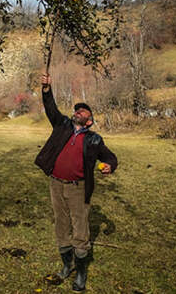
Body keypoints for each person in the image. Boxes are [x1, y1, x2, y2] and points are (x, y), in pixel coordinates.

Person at [35, 74, 118, 292]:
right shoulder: (62, 125)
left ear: (89, 121)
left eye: (82, 111)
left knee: (80, 229)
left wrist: (110, 166)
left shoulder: (94, 139)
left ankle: (81, 274)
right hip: (56, 184)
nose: (77, 111)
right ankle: (67, 265)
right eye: (77, 109)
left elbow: (110, 157)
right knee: (61, 225)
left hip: (78, 188)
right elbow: (51, 108)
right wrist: (46, 89)